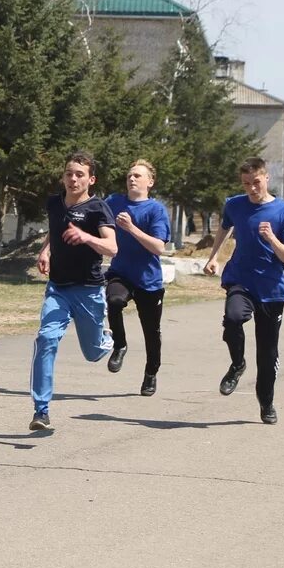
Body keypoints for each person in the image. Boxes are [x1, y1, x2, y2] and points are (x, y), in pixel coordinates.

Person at [203, 157, 284, 425]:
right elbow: (225, 227)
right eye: (246, 184)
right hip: (240, 280)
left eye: (256, 182)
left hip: (271, 290)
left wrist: (271, 238)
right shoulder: (235, 204)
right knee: (233, 318)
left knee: (267, 355)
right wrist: (213, 257)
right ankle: (237, 364)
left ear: (266, 178)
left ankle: (266, 402)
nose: (252, 188)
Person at [28, 151, 117, 431]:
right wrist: (45, 251)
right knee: (46, 339)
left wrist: (86, 236)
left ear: (91, 179)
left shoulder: (98, 208)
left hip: (89, 291)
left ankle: (108, 339)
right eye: (69, 173)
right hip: (58, 288)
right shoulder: (54, 203)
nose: (73, 179)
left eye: (80, 174)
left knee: (92, 354)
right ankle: (41, 410)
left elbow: (112, 248)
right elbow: (55, 231)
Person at [103, 159, 170, 397]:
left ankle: (151, 373)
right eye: (129, 175)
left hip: (148, 281)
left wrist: (131, 228)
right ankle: (119, 344)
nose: (132, 179)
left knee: (151, 332)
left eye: (138, 176)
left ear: (150, 182)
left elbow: (158, 247)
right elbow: (95, 216)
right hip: (121, 273)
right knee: (114, 301)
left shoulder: (156, 210)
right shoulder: (114, 202)